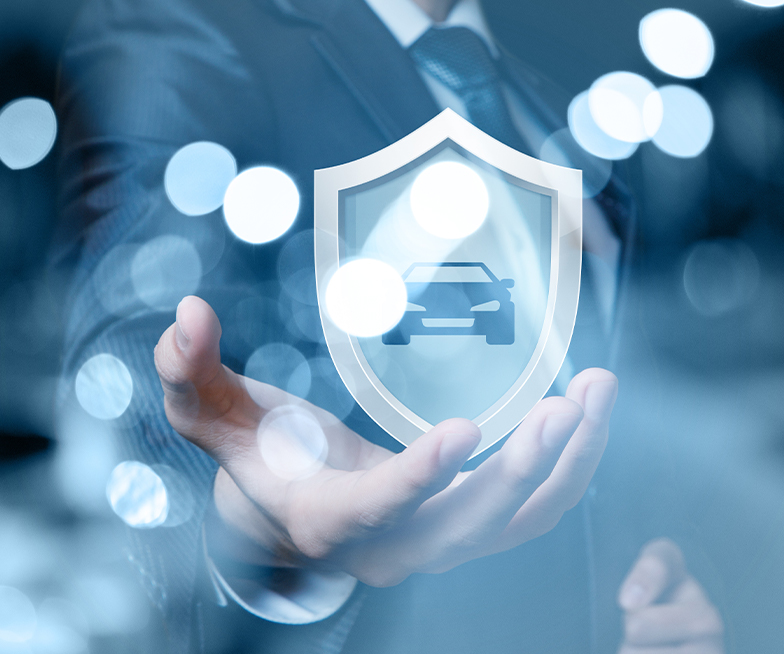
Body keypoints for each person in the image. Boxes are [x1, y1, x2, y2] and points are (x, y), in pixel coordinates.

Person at [56, 0, 724, 652]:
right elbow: (136, 345)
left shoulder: (552, 77)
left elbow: (581, 401)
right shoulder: (190, 27)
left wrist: (638, 600)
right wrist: (257, 526)